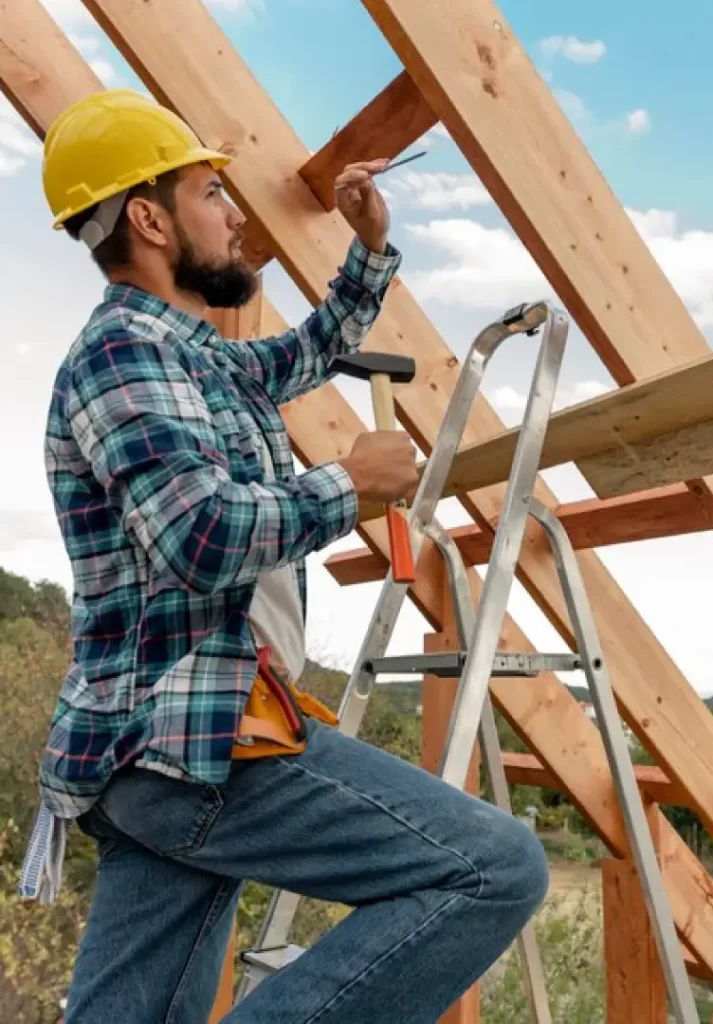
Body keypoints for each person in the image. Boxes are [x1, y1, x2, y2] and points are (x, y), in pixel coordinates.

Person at [18, 89, 548, 1024]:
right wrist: (350, 485)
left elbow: (305, 355)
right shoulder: (122, 358)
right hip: (195, 739)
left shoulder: (194, 355)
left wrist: (370, 246)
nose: (234, 213)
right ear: (148, 217)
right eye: (211, 191)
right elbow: (200, 536)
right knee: (494, 868)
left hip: (155, 756)